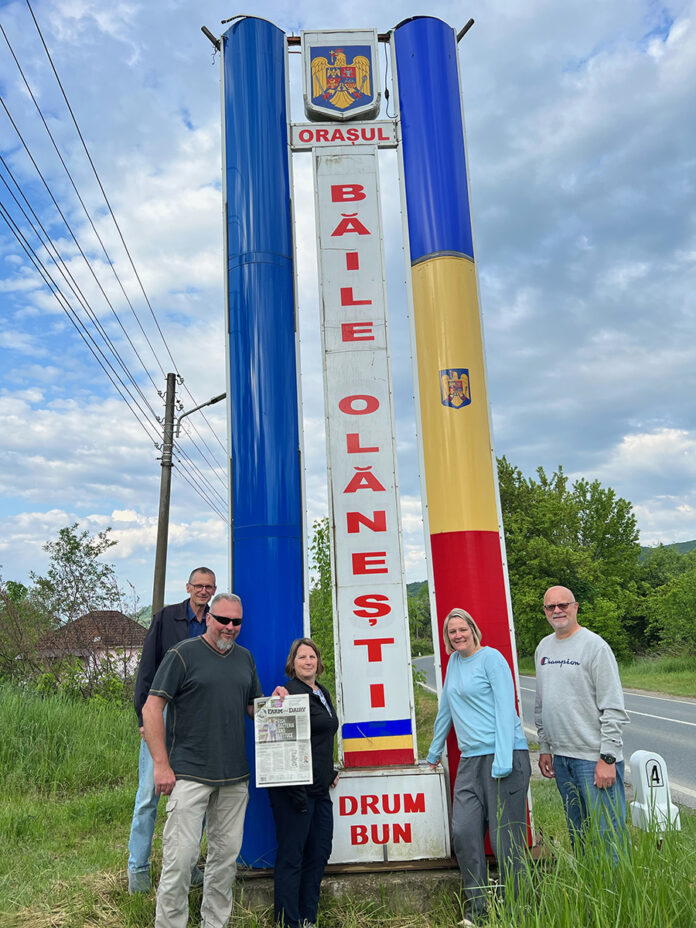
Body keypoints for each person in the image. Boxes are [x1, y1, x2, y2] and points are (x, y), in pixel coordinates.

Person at [143, 592, 284, 928]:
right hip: (189, 774)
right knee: (180, 860)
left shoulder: (245, 659)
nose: (230, 627)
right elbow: (152, 708)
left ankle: (214, 923)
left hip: (235, 778)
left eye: (236, 622)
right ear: (208, 617)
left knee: (224, 861)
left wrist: (276, 704)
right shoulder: (182, 655)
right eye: (223, 620)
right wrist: (161, 765)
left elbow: (252, 708)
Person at [427, 609, 530, 927]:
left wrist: (502, 759)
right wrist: (433, 752)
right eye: (452, 631)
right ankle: (477, 912)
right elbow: (446, 708)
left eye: (462, 629)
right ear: (447, 638)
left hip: (506, 757)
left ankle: (521, 908)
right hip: (471, 761)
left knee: (505, 840)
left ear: (473, 629)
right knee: (465, 833)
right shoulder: (453, 664)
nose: (458, 635)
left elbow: (504, 709)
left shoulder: (492, 659)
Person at [127, 566, 217, 893]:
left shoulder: (215, 622)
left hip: (197, 720)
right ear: (188, 587)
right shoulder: (166, 618)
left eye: (209, 587)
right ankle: (137, 872)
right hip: (162, 715)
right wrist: (143, 720)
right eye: (199, 586)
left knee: (196, 796)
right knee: (148, 796)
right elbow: (146, 672)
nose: (204, 592)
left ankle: (190, 865)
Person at [535, 586, 629, 849]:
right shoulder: (543, 647)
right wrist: (545, 747)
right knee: (580, 836)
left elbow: (613, 707)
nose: (557, 611)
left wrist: (607, 758)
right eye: (551, 607)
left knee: (607, 838)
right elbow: (542, 704)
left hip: (594, 759)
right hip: (563, 761)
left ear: (575, 607)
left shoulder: (595, 647)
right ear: (545, 612)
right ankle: (587, 888)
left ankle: (615, 888)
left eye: (563, 605)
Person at [269, 638, 339, 928]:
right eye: (302, 657)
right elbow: (277, 744)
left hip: (320, 790)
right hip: (294, 792)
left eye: (312, 656)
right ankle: (288, 922)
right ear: (292, 663)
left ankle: (308, 917)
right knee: (291, 857)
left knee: (320, 851)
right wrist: (295, 791)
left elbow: (321, 737)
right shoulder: (288, 695)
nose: (308, 661)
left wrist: (330, 769)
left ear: (318, 661)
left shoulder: (320, 692)